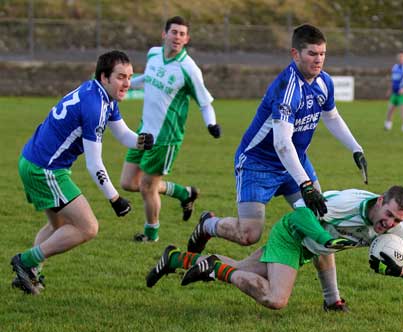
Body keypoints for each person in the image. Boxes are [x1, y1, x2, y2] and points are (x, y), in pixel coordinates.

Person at [186, 24, 368, 297]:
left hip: (295, 161)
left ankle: (333, 299)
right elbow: (281, 143)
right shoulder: (286, 88)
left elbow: (331, 116)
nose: (318, 59)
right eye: (312, 53)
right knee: (249, 234)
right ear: (295, 54)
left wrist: (356, 148)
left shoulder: (323, 82)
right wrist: (306, 185)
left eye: (322, 53)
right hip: (258, 163)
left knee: (318, 223)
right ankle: (208, 225)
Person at [146, 185, 403, 311]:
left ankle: (175, 259)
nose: (390, 223)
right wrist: (324, 238)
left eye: (398, 220)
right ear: (381, 200)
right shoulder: (347, 204)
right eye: (389, 214)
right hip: (292, 236)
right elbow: (299, 213)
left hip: (307, 248)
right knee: (275, 299)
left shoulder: (400, 229)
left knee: (244, 270)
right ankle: (214, 268)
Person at [11, 50, 154, 295]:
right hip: (45, 169)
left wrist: (141, 141)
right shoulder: (95, 105)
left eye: (130, 77)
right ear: (104, 77)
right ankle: (25, 261)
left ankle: (29, 274)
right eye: (121, 77)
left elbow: (121, 134)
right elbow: (94, 163)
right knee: (88, 227)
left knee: (59, 225)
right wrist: (115, 199)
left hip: (34, 161)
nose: (127, 83)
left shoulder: (100, 95)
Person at [120, 16, 221, 243]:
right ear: (164, 34)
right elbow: (148, 78)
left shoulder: (189, 69)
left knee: (147, 187)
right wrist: (125, 84)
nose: (177, 37)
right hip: (143, 131)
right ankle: (184, 193)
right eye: (174, 32)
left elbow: (204, 102)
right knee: (128, 183)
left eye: (182, 34)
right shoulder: (153, 53)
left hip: (166, 138)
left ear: (187, 39)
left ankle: (151, 234)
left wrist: (211, 124)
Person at [384, 52, 403, 132]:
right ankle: (388, 125)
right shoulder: (395, 67)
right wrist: (389, 89)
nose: (401, 60)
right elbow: (393, 80)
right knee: (390, 109)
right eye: (399, 58)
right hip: (395, 93)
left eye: (402, 58)